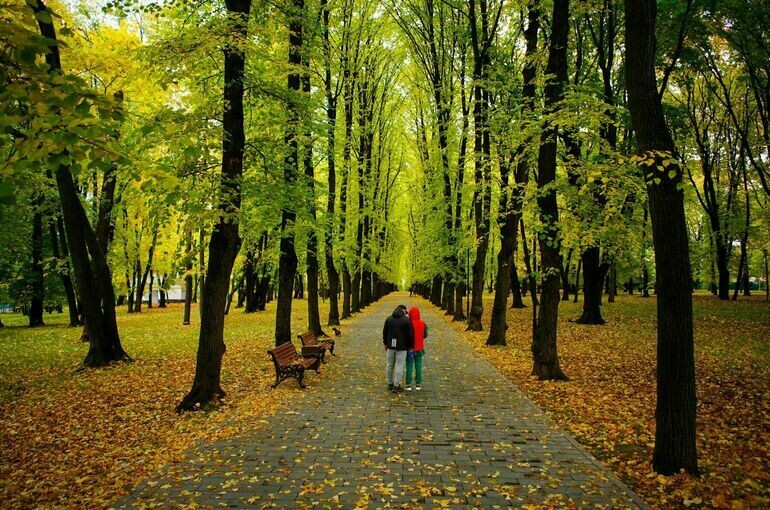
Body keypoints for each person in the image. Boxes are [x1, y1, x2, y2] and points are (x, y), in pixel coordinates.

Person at [383, 304, 414, 393]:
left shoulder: (389, 319)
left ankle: (390, 383)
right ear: (403, 311)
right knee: (399, 365)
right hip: (402, 347)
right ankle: (396, 386)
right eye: (406, 311)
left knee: (389, 365)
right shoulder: (406, 320)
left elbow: (385, 332)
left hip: (390, 346)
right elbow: (410, 335)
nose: (406, 313)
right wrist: (411, 346)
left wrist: (385, 343)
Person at [405, 306, 428, 391]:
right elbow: (425, 335)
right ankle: (418, 384)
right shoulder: (423, 323)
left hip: (410, 348)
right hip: (419, 348)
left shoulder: (408, 323)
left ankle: (408, 384)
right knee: (418, 365)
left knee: (409, 366)